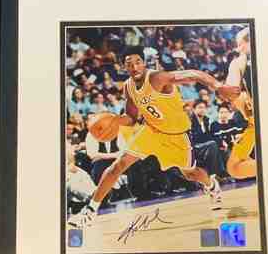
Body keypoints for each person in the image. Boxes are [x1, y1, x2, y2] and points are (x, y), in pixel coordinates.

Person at [68, 46, 240, 228]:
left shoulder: (157, 78)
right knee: (117, 166)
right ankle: (90, 211)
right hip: (151, 131)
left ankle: (211, 185)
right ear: (124, 67)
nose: (134, 67)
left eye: (138, 62)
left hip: (176, 135)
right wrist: (116, 121)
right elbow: (132, 118)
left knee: (190, 174)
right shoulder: (128, 87)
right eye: (129, 64)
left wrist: (218, 86)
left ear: (144, 63)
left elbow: (193, 74)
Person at [224, 27, 257, 179]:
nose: (238, 48)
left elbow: (231, 92)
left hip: (257, 119)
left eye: (240, 44)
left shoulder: (239, 62)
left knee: (234, 167)